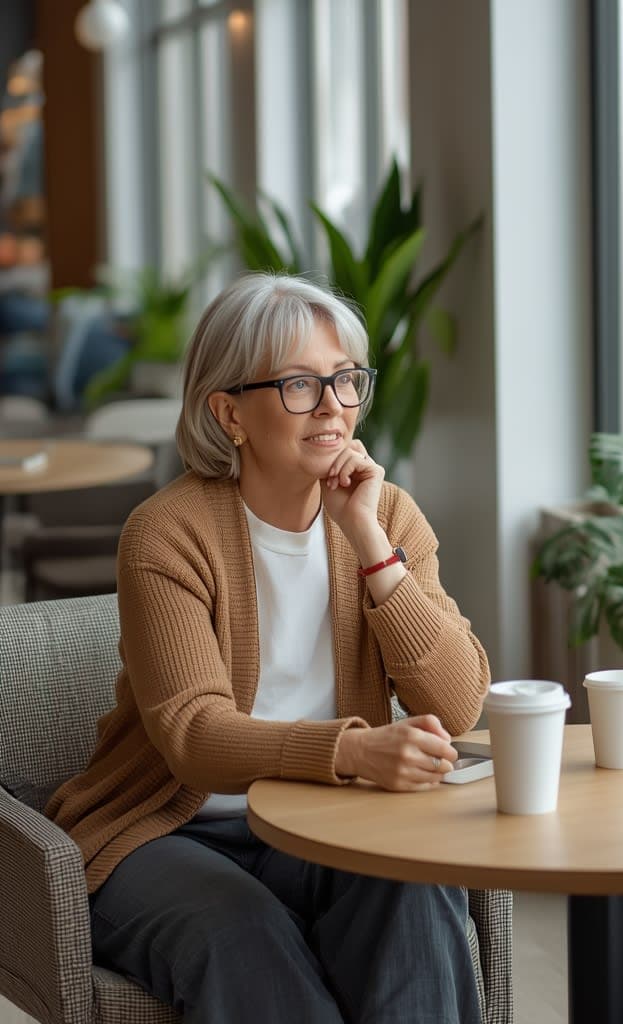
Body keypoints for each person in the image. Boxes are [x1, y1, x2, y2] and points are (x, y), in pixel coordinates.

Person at [45, 273, 491, 1024]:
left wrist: (373, 549)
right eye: (299, 384)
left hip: (321, 819)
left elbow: (458, 703)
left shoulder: (388, 515)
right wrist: (351, 753)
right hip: (168, 828)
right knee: (241, 933)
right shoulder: (167, 532)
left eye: (346, 379)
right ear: (229, 413)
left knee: (415, 890)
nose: (334, 407)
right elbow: (193, 735)